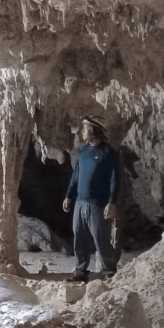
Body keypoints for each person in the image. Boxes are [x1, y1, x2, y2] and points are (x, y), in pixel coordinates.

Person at [62, 115, 121, 282]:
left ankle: (110, 273)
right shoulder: (83, 151)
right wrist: (69, 195)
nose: (82, 132)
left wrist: (112, 202)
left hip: (98, 204)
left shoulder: (107, 152)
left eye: (85, 129)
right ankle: (80, 272)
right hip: (81, 202)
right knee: (79, 237)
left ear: (94, 131)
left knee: (101, 238)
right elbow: (76, 175)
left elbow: (114, 179)